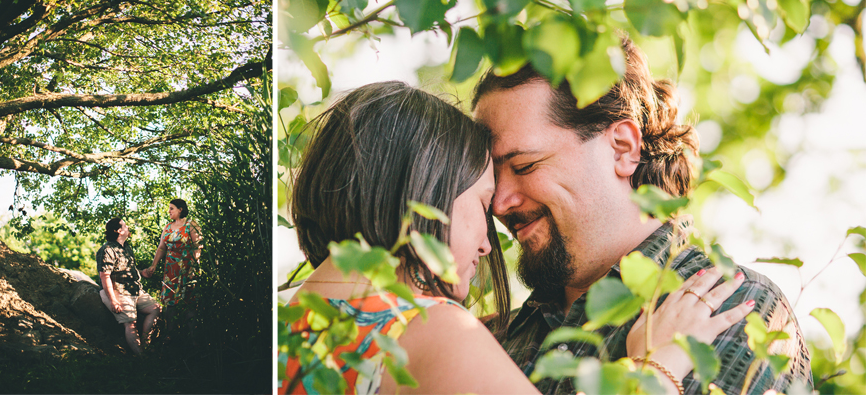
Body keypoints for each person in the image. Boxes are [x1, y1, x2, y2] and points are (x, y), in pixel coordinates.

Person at [278, 81, 755, 395]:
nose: (491, 237)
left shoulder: (285, 328)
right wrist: (660, 367)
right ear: (426, 196)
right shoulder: (431, 330)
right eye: (482, 201)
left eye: (525, 166)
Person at [471, 36, 813, 395]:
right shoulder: (490, 342)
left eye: (524, 166)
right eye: (491, 178)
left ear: (622, 148)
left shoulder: (732, 306)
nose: (499, 204)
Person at [97, 218, 160, 356]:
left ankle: (145, 345)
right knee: (131, 323)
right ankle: (142, 358)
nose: (128, 227)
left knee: (155, 308)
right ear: (118, 231)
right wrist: (113, 300)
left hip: (134, 289)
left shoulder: (126, 247)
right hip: (118, 291)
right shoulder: (107, 250)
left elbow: (127, 269)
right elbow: (105, 277)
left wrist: (142, 273)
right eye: (125, 225)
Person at [142, 199, 201, 342]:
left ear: (180, 209)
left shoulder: (191, 225)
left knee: (189, 302)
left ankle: (193, 338)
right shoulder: (168, 227)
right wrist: (154, 265)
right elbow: (161, 248)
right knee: (170, 302)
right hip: (170, 270)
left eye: (171, 208)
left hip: (187, 268)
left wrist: (194, 267)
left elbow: (198, 247)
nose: (169, 211)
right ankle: (170, 335)